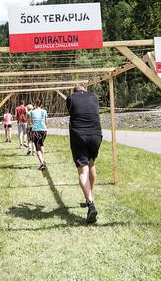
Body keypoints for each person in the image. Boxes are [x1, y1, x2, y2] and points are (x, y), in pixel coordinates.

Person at [66, 84, 102, 223]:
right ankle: (89, 197)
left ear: (74, 91)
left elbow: (72, 111)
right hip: (95, 135)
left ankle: (90, 203)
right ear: (85, 90)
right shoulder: (94, 97)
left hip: (79, 135)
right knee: (92, 164)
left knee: (83, 171)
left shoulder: (71, 98)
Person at [29, 99, 48, 170]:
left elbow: (31, 122)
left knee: (37, 147)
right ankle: (43, 160)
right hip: (44, 130)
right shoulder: (44, 111)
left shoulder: (32, 112)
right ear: (41, 105)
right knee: (41, 144)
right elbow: (46, 122)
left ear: (35, 104)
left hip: (36, 131)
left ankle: (42, 163)